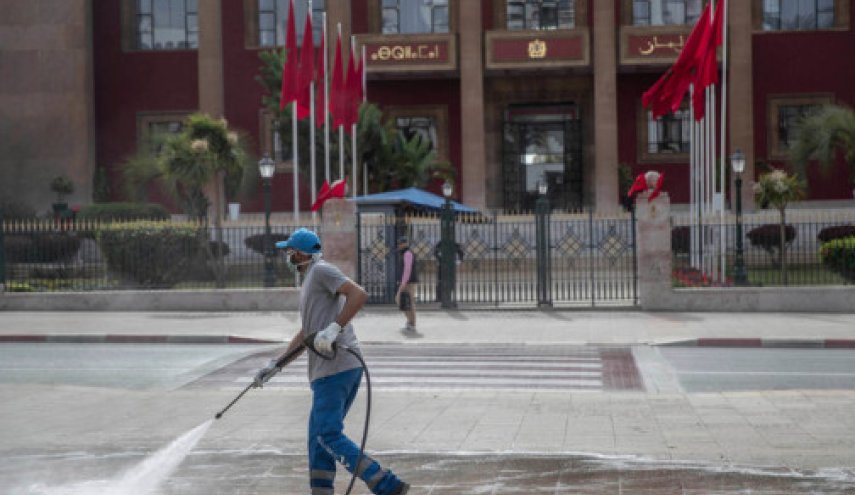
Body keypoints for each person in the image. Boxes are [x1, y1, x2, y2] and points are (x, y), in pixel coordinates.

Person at [253, 228, 409, 495]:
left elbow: (358, 294)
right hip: (332, 368)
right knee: (317, 440)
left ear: (300, 253)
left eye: (289, 252)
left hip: (335, 368)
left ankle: (386, 484)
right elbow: (306, 333)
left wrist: (334, 328)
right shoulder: (311, 280)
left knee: (327, 435)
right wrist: (276, 365)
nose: (287, 257)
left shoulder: (321, 271)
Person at [395, 236, 417, 334]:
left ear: (405, 244)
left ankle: (411, 323)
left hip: (408, 282)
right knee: (405, 302)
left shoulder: (407, 253)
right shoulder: (404, 253)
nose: (399, 245)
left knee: (406, 302)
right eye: (399, 243)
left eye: (401, 243)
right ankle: (410, 322)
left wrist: (403, 283)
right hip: (406, 281)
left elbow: (407, 269)